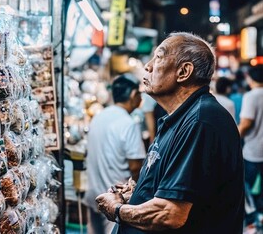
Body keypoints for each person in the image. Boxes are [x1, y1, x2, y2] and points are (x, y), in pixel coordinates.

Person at [96, 32, 244, 234]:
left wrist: (117, 210)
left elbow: (171, 213)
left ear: (184, 71)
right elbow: (181, 191)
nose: (148, 66)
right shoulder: (179, 118)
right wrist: (138, 195)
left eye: (158, 57)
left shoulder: (201, 121)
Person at [84, 73, 147, 234]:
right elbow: (135, 167)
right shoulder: (128, 123)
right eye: (140, 94)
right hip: (113, 199)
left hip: (93, 194)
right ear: (133, 95)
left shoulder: (99, 116)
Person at [238, 65, 263, 231]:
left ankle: (256, 220)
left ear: (250, 78)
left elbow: (246, 123)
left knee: (249, 189)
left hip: (254, 152)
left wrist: (233, 138)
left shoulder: (252, 96)